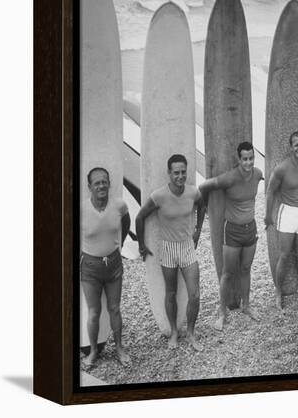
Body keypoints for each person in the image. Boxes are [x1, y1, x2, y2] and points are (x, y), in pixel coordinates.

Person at [135, 154, 205, 351]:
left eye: (183, 172)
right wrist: (141, 245)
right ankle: (174, 332)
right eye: (176, 173)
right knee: (171, 292)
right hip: (167, 248)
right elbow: (140, 217)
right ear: (169, 173)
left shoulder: (193, 192)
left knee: (195, 294)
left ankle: (191, 333)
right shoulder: (159, 196)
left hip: (187, 247)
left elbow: (202, 205)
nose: (180, 176)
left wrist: (198, 230)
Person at [199, 141, 263, 331]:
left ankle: (247, 305)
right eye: (244, 159)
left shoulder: (258, 174)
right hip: (232, 231)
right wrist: (205, 208)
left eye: (251, 158)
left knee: (245, 269)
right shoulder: (230, 178)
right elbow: (204, 187)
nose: (248, 163)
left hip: (250, 228)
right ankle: (222, 312)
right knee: (228, 273)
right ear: (239, 159)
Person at [80, 167, 131, 367]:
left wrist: (122, 242)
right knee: (94, 311)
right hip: (90, 268)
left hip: (114, 265)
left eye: (104, 182)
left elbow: (126, 221)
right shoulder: (81, 209)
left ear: (109, 183)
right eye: (97, 183)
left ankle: (119, 348)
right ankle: (93, 351)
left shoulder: (119, 205)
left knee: (115, 309)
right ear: (89, 187)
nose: (101, 185)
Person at [264, 131, 298, 310]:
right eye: (296, 145)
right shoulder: (282, 168)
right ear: (291, 147)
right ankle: (279, 293)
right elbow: (271, 191)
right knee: (285, 254)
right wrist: (267, 215)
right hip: (287, 213)